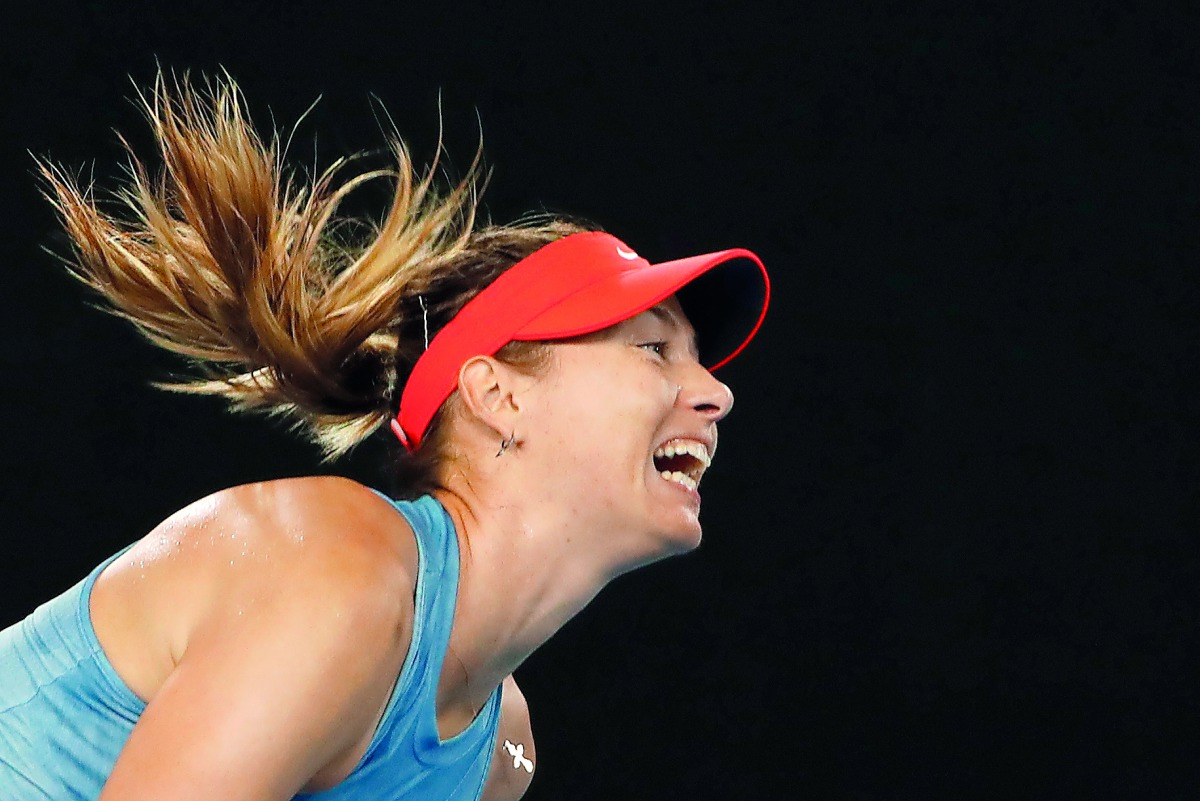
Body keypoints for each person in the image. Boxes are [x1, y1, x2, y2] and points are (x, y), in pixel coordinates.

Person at [0, 73, 769, 801]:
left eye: (700, 361)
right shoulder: (338, 572)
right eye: (652, 348)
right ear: (496, 395)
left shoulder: (505, 753)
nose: (716, 392)